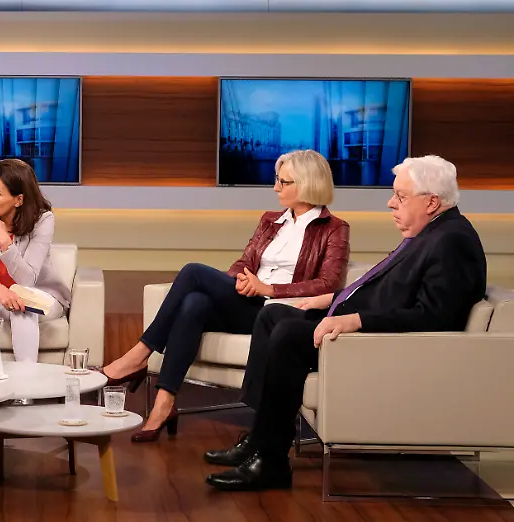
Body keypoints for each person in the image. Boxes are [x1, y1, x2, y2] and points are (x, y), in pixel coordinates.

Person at [204, 155, 487, 491]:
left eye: (400, 196)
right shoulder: (433, 232)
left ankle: (271, 462)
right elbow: (385, 289)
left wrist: (355, 320)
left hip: (378, 344)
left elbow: (434, 317)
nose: (390, 203)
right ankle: (259, 438)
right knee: (272, 315)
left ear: (431, 202)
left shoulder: (452, 241)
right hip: (362, 327)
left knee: (289, 333)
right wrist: (331, 300)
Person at [100, 150, 350, 442]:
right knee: (194, 303)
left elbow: (328, 284)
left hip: (278, 314)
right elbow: (244, 262)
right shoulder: (271, 220)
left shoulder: (335, 229)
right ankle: (164, 403)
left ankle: (138, 356)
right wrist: (241, 280)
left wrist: (269, 289)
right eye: (277, 180)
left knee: (193, 272)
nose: (275, 188)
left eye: (283, 182)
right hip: (249, 303)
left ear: (307, 183)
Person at [0, 159, 70, 367]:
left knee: (22, 304)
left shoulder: (43, 220)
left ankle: (26, 381)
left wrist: (4, 241)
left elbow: (27, 280)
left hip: (40, 296)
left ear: (18, 200)